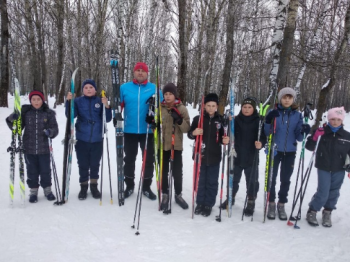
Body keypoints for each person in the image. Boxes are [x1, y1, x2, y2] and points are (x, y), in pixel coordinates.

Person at [264, 87, 310, 220]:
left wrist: (304, 131)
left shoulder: (297, 115)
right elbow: (267, 133)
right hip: (275, 150)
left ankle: (281, 203)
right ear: (280, 99)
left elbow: (300, 138)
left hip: (290, 151)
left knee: (285, 179)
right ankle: (271, 202)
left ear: (293, 100)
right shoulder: (273, 112)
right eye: (284, 97)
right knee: (271, 178)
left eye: (289, 98)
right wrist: (268, 121)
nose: (287, 100)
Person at [6, 90, 59, 203]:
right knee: (32, 171)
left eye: (38, 99)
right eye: (33, 99)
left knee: (45, 171)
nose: (36, 102)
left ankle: (47, 190)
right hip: (29, 148)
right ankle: (33, 191)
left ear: (42, 100)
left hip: (44, 148)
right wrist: (11, 119)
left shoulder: (48, 113)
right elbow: (17, 128)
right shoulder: (26, 113)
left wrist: (51, 132)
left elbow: (55, 129)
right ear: (30, 101)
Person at [219, 97, 266, 216]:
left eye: (249, 107)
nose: (246, 109)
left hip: (251, 156)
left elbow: (263, 137)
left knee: (252, 181)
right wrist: (228, 124)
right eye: (244, 107)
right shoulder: (235, 120)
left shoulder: (258, 121)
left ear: (253, 109)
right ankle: (230, 197)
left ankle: (251, 201)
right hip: (236, 155)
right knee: (233, 178)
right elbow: (227, 132)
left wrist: (261, 143)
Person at [66, 79, 112, 200]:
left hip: (97, 138)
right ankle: (84, 186)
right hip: (82, 138)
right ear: (83, 90)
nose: (88, 89)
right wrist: (69, 102)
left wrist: (107, 105)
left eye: (91, 87)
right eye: (86, 88)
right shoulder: (78, 101)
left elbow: (107, 119)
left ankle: (94, 186)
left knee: (95, 163)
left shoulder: (100, 101)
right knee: (83, 164)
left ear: (95, 89)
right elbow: (70, 116)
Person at [305, 107, 350, 227]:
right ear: (329, 119)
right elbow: (309, 147)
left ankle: (327, 212)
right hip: (323, 166)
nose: (335, 122)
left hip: (339, 168)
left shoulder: (347, 136)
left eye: (338, 120)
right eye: (333, 119)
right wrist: (314, 137)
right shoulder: (322, 133)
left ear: (342, 121)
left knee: (334, 192)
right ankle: (313, 210)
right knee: (323, 191)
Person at [120, 62, 157, 200]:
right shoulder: (124, 88)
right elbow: (119, 105)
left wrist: (156, 119)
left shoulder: (154, 88)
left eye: (143, 71)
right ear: (134, 73)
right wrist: (116, 116)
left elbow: (161, 107)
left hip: (148, 131)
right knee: (129, 159)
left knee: (148, 160)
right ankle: (129, 186)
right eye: (138, 70)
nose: (140, 73)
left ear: (147, 73)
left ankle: (146, 187)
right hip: (130, 130)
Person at [188, 93, 230, 217]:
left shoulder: (220, 120)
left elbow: (224, 136)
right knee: (200, 180)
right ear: (204, 106)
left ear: (217, 106)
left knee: (212, 181)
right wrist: (194, 133)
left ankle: (208, 204)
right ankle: (200, 202)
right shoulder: (198, 119)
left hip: (214, 156)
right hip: (200, 155)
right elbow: (190, 134)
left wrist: (225, 140)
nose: (211, 108)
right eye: (208, 105)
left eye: (213, 105)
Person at [155, 83, 190, 210]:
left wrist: (179, 120)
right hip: (163, 146)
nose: (168, 96)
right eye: (166, 94)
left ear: (175, 95)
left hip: (176, 146)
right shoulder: (159, 108)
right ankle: (165, 193)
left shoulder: (182, 108)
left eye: (170, 94)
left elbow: (187, 129)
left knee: (177, 172)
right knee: (163, 171)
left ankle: (178, 194)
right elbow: (155, 123)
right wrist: (153, 123)